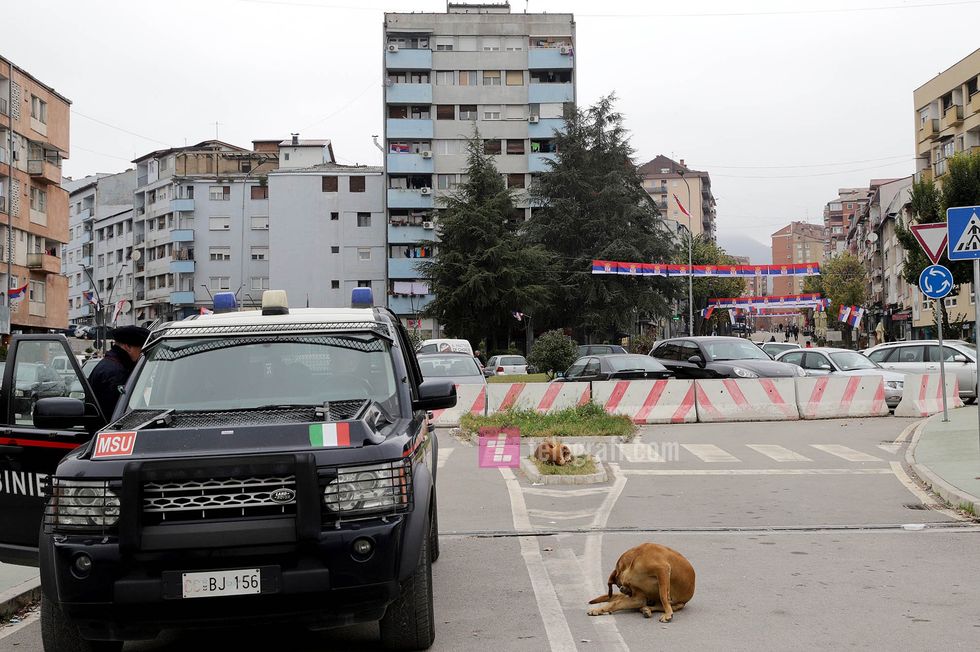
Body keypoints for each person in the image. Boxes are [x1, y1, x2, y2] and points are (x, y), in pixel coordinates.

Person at [89, 325, 150, 421]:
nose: (143, 354)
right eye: (141, 349)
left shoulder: (108, 365)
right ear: (128, 347)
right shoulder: (117, 373)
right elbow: (122, 414)